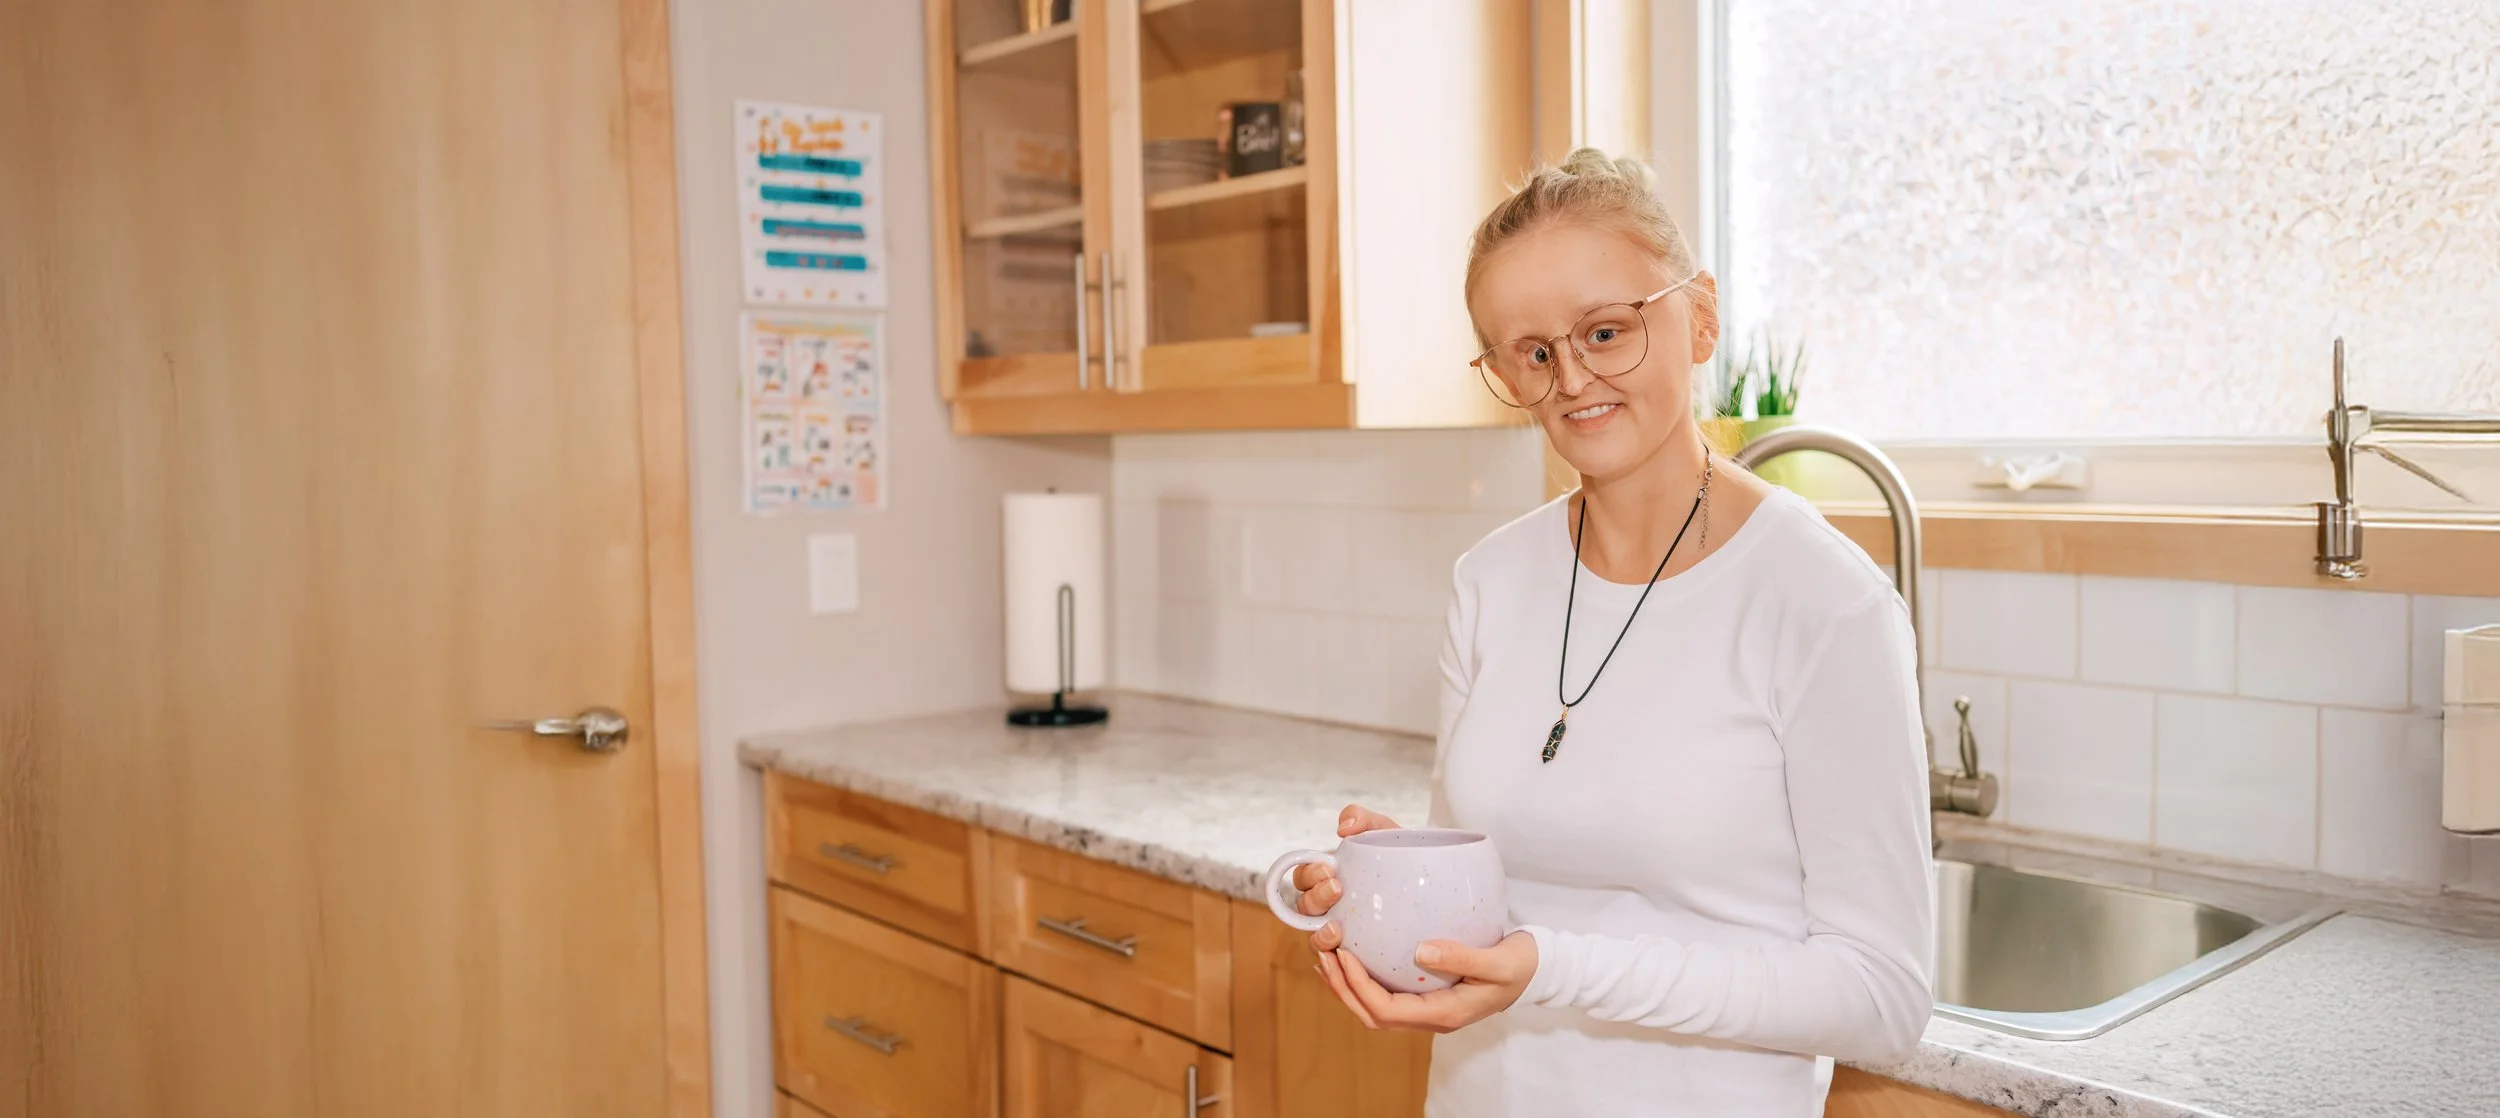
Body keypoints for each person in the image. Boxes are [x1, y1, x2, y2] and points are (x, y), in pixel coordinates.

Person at [1286, 149, 1934, 1116]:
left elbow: (1881, 999)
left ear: (1699, 315)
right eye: (1532, 352)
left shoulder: (1822, 602)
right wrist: (1399, 892)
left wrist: (1554, 968)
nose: (1572, 378)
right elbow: (1507, 894)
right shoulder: (1491, 582)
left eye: (1605, 331)